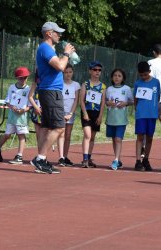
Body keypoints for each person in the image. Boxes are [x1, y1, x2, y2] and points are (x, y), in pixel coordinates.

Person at [30, 21, 75, 174]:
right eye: (57, 32)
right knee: (59, 127)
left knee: (47, 127)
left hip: (49, 91)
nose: (60, 35)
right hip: (51, 92)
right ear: (49, 33)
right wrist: (67, 53)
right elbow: (61, 67)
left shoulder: (47, 49)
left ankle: (41, 160)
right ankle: (40, 158)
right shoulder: (45, 48)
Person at [0, 67, 31, 164]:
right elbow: (7, 101)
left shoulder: (28, 89)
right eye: (20, 78)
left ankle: (19, 156)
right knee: (7, 135)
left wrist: (24, 110)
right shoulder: (11, 88)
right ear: (17, 78)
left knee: (21, 136)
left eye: (25, 78)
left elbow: (30, 105)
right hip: (12, 116)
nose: (23, 80)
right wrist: (11, 107)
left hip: (22, 117)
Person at [133, 61, 161, 171]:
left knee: (149, 137)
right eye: (141, 75)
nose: (143, 77)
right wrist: (137, 109)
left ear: (149, 72)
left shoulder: (156, 82)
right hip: (141, 114)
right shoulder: (137, 83)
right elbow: (135, 99)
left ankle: (146, 159)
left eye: (145, 74)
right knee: (140, 136)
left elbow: (157, 96)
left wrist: (155, 109)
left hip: (152, 114)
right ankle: (138, 160)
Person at [105, 68, 134, 170]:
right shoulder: (109, 89)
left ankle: (116, 160)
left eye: (119, 76)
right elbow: (106, 102)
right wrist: (110, 103)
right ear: (112, 78)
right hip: (111, 118)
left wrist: (125, 103)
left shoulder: (126, 89)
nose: (117, 77)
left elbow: (131, 101)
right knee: (114, 139)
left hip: (121, 118)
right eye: (115, 75)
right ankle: (118, 160)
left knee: (118, 139)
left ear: (123, 78)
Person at [80, 61, 106, 168]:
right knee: (87, 135)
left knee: (92, 137)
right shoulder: (85, 84)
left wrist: (100, 116)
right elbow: (81, 100)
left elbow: (103, 102)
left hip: (96, 113)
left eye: (99, 70)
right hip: (87, 112)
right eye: (95, 70)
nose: (97, 72)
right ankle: (85, 159)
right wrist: (85, 113)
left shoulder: (103, 86)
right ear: (90, 71)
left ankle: (89, 158)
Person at [57, 63, 80, 166]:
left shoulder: (76, 85)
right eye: (66, 72)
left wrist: (71, 113)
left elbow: (76, 100)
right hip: (60, 112)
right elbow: (57, 99)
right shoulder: (59, 83)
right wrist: (61, 113)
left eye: (70, 72)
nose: (68, 74)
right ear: (63, 73)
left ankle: (65, 156)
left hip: (70, 113)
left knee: (68, 135)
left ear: (73, 72)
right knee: (61, 134)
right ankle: (61, 157)